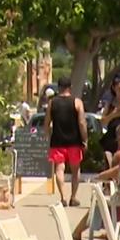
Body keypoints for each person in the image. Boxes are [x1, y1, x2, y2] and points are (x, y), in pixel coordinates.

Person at [44, 76, 87, 207]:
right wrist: (85, 139)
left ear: (59, 88)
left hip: (58, 141)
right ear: (70, 87)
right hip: (74, 141)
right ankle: (73, 197)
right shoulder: (77, 102)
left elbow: (47, 123)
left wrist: (48, 136)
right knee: (75, 170)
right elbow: (82, 123)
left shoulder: (52, 103)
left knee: (59, 168)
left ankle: (63, 197)